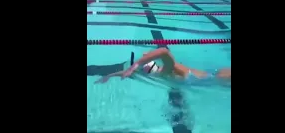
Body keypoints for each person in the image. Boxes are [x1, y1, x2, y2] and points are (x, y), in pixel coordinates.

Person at [94, 48, 231, 85]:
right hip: (214, 75)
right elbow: (133, 73)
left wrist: (134, 66)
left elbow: (165, 51)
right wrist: (109, 75)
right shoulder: (165, 69)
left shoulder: (166, 71)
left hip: (217, 79)